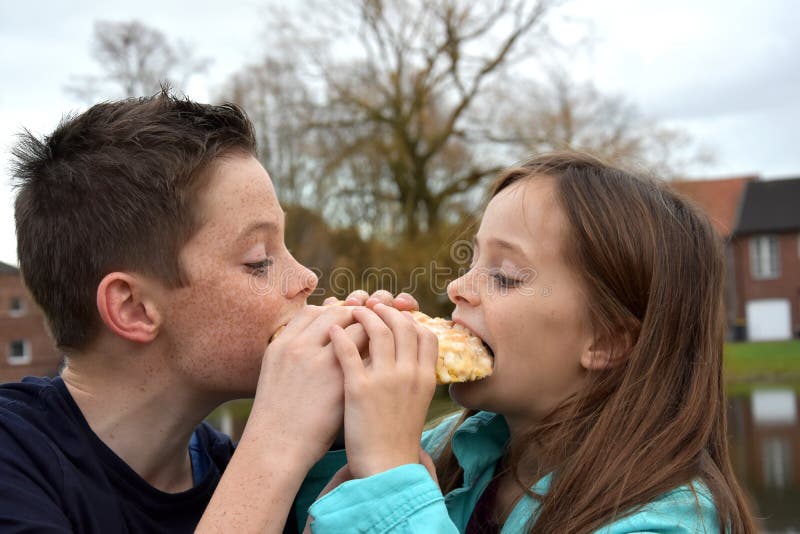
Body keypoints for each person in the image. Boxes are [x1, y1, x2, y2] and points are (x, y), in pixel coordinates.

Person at [1, 90, 425, 533]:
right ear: (135, 308)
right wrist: (278, 441)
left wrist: (366, 460)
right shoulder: (15, 465)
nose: (307, 278)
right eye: (260, 260)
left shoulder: (233, 474)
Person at [301, 152, 759, 533]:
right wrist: (340, 424)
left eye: (504, 276)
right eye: (473, 260)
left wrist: (390, 478)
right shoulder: (453, 447)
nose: (456, 288)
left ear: (608, 340)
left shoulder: (664, 522)